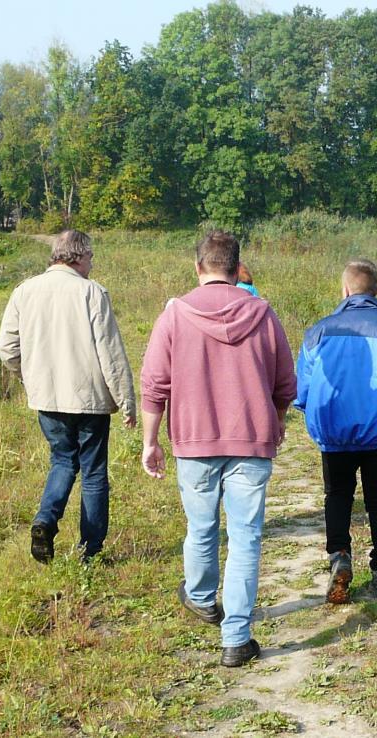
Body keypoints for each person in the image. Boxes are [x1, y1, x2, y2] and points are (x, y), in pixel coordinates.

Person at [140, 230, 296, 667]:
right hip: (251, 439)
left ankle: (203, 599)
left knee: (202, 527)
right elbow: (285, 383)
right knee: (246, 538)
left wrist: (150, 441)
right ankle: (236, 638)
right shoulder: (264, 314)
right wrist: (277, 418)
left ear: (198, 267)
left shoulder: (174, 314)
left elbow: (154, 385)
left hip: (194, 441)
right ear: (235, 267)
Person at [0, 230, 136, 564]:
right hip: (89, 400)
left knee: (61, 461)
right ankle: (90, 551)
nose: (91, 264)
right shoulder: (92, 293)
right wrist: (127, 401)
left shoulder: (24, 291)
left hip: (47, 398)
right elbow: (110, 354)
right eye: (90, 258)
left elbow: (5, 346)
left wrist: (28, 376)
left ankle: (46, 519)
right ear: (78, 256)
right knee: (93, 472)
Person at [294, 258, 377, 604]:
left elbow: (303, 390)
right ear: (376, 290)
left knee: (337, 496)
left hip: (335, 433)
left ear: (345, 290)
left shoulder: (320, 330)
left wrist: (318, 414)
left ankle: (339, 558)